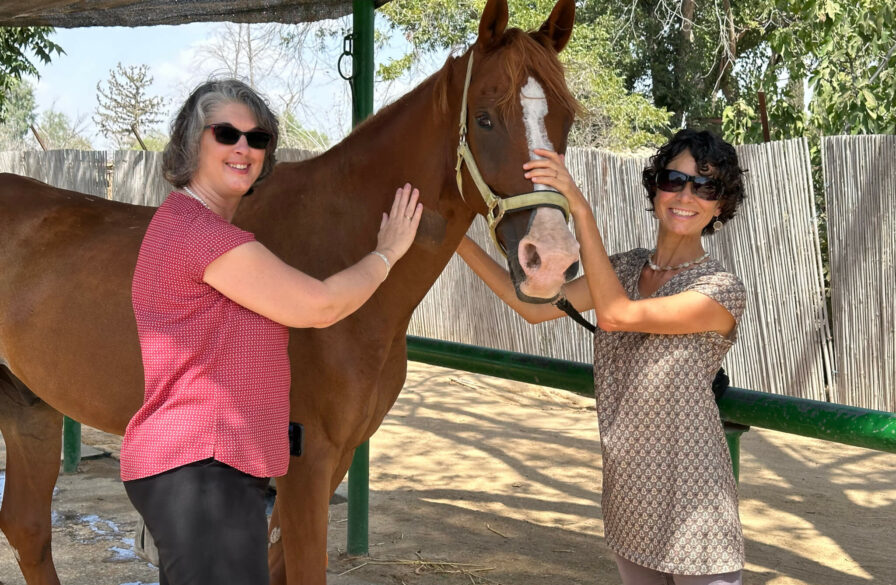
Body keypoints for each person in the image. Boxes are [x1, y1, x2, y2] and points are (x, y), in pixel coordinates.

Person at [119, 79, 422, 585]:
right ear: (194, 142)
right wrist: (387, 253)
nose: (244, 148)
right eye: (226, 133)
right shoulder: (200, 233)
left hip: (207, 470)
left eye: (257, 139)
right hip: (200, 470)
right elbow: (320, 305)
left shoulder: (196, 226)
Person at [456, 129, 747, 585]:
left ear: (720, 205)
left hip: (695, 500)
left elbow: (616, 315)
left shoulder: (720, 288)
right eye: (674, 180)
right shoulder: (626, 268)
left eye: (705, 186)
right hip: (629, 490)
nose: (686, 195)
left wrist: (579, 206)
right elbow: (532, 309)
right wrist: (455, 240)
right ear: (655, 189)